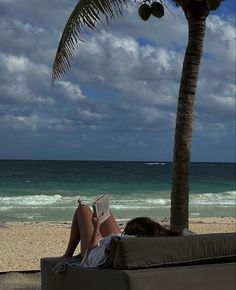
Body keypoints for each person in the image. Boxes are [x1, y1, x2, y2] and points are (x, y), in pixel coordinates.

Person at [60, 202, 181, 268]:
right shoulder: (157, 242)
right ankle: (99, 208)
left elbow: (90, 256)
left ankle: (67, 255)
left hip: (101, 249)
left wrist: (96, 227)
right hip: (117, 243)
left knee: (83, 209)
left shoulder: (120, 246)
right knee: (103, 208)